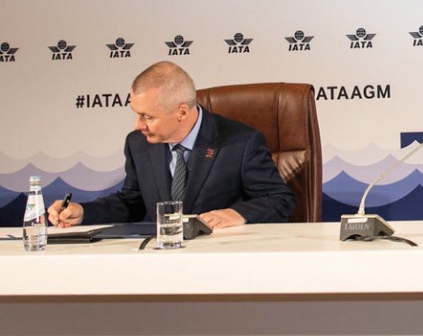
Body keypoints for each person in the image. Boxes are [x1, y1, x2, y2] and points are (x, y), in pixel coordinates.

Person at [48, 61, 295, 228]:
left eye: (148, 117)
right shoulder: (138, 144)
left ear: (181, 112)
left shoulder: (240, 142)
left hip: (221, 259)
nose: (138, 125)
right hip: (163, 259)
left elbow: (279, 199)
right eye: (137, 114)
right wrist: (84, 212)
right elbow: (131, 202)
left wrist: (238, 214)